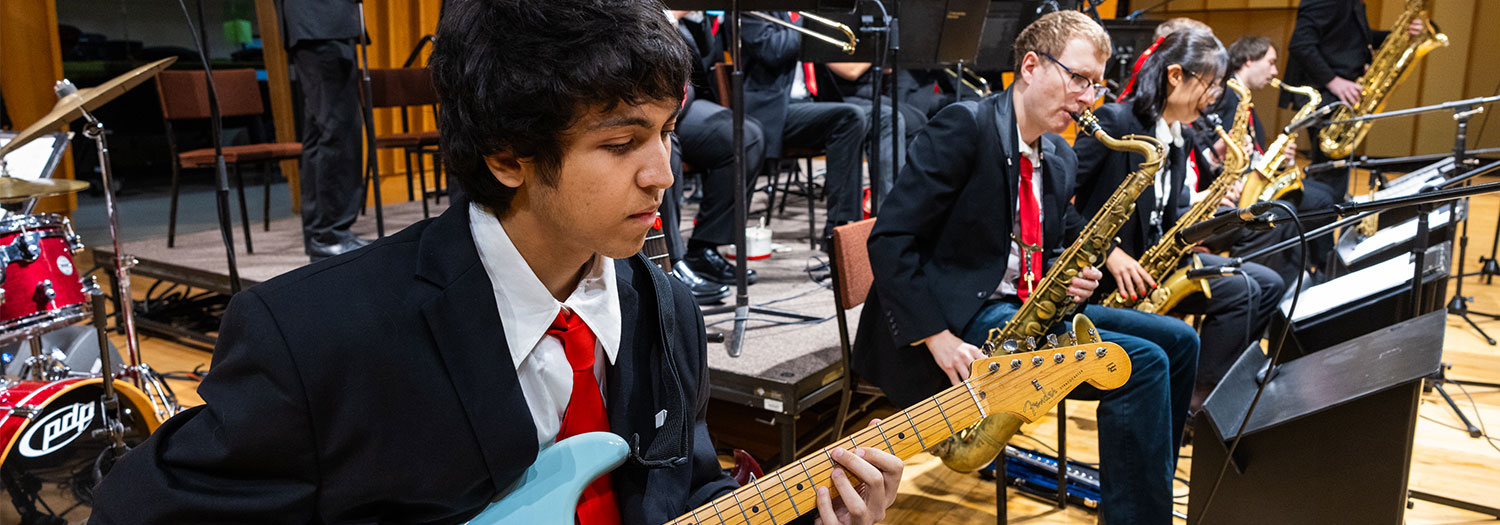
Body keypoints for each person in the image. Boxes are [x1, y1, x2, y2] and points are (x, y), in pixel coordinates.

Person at [88, 1, 904, 523]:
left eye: (665, 130)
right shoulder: (316, 337)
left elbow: (676, 495)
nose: (662, 172)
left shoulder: (667, 309)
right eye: (621, 142)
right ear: (509, 156)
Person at [852, 11, 1199, 524]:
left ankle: (1144, 494)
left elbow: (1050, 244)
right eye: (1078, 78)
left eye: (1096, 85)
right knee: (1140, 364)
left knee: (1179, 341)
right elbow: (891, 239)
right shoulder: (964, 126)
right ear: (1031, 66)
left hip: (1022, 310)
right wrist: (937, 336)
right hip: (956, 324)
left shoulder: (1059, 155)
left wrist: (1072, 273)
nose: (1088, 97)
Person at [1073, 28, 1285, 414]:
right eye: (1210, 84)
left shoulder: (1179, 136)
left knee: (1268, 284)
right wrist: (1110, 253)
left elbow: (1173, 211)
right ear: (1175, 76)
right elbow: (1060, 200)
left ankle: (1207, 393)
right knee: (1244, 294)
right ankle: (1192, 404)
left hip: (1160, 264)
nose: (1214, 96)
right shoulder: (1117, 121)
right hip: (1116, 274)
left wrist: (1230, 220)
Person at [740, 12, 870, 249]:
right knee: (850, 117)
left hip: (808, 104)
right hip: (772, 111)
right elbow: (772, 50)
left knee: (874, 115)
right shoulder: (756, 9)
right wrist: (810, 21)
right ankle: (838, 228)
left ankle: (856, 223)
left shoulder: (798, 14)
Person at [276, 0, 372, 261]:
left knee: (320, 134)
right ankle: (330, 234)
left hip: (315, 25)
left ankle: (321, 235)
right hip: (322, 23)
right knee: (339, 130)